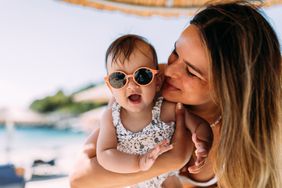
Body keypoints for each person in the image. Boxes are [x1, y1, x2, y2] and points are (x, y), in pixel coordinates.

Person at [70, 1, 282, 188]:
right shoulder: (142, 82)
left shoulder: (246, 138)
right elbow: (79, 178)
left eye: (191, 72)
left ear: (230, 89)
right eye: (175, 53)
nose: (169, 71)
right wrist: (173, 159)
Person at [97, 34, 213, 188]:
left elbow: (199, 125)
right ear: (110, 86)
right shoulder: (111, 117)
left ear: (157, 81)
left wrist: (204, 143)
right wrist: (138, 162)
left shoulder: (167, 109)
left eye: (142, 76)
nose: (132, 86)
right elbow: (105, 154)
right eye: (119, 78)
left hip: (168, 182)